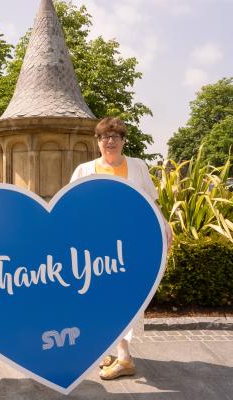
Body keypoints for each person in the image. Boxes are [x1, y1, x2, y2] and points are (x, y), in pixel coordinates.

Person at [70, 117, 172, 380]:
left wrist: (164, 224)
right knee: (99, 299)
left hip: (130, 245)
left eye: (116, 137)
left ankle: (125, 358)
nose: (110, 141)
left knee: (125, 297)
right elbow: (70, 208)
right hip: (95, 248)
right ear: (98, 141)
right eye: (105, 137)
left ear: (124, 141)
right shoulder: (84, 170)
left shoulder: (137, 167)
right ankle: (112, 347)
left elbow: (151, 201)